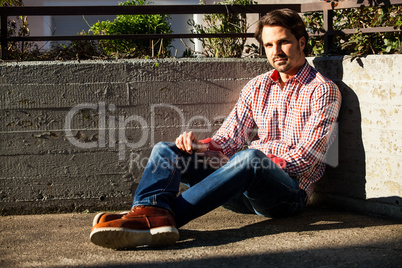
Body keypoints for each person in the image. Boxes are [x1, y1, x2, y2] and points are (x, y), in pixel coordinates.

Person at [90, 8, 342, 250]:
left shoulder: (323, 90)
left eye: (283, 42)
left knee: (251, 158)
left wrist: (252, 164)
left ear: (301, 42)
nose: (276, 51)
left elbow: (309, 158)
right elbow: (230, 137)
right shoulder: (258, 86)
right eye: (268, 45)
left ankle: (157, 221)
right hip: (239, 188)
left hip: (286, 195)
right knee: (167, 150)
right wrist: (201, 148)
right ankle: (147, 209)